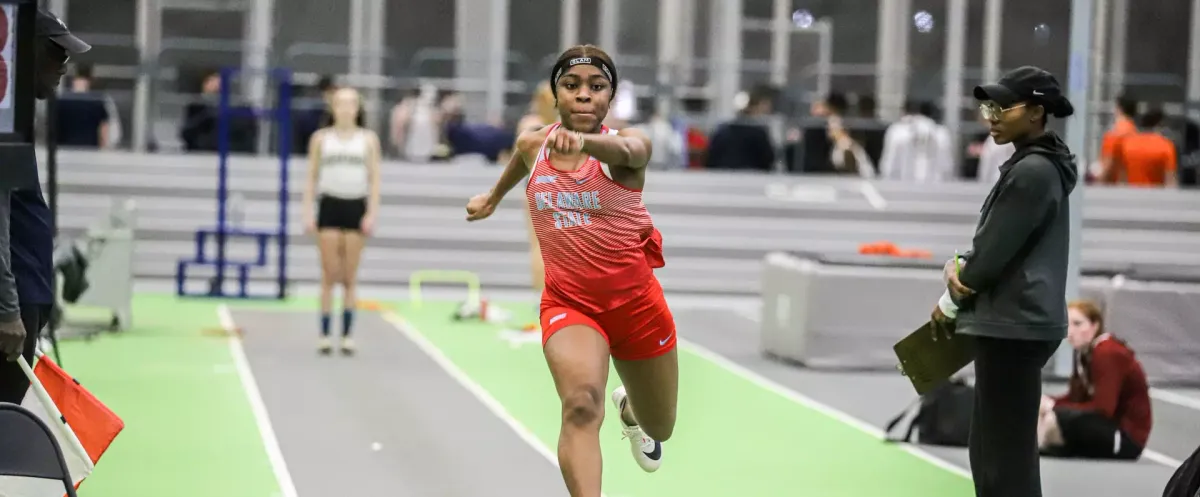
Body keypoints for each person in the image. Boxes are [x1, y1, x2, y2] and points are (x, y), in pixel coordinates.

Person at [464, 45, 676, 497]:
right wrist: (492, 199)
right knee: (580, 405)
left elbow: (628, 150)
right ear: (555, 95)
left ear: (610, 97)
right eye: (572, 86)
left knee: (663, 423)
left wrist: (583, 143)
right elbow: (521, 161)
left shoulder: (629, 146)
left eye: (596, 87)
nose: (584, 96)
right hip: (570, 304)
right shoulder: (531, 144)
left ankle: (632, 412)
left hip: (637, 307)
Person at [932, 66, 1077, 497]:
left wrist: (951, 297)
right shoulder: (1035, 166)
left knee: (1004, 458)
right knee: (992, 450)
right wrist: (962, 264)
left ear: (1035, 112)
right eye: (987, 107)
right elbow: (996, 244)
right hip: (1014, 322)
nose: (990, 116)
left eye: (1001, 107)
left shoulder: (1033, 171)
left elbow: (993, 251)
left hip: (1013, 325)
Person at [0, 8, 91, 402]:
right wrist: (7, 309)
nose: (63, 65)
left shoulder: (16, 122)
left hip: (25, 295)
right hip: (13, 302)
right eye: (56, 53)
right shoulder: (4, 124)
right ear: (26, 52)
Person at [302, 87, 381, 356]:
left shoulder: (368, 140)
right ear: (333, 108)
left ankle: (347, 335)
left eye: (351, 104)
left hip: (354, 204)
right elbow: (311, 177)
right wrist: (307, 212)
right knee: (329, 274)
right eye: (341, 103)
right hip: (329, 205)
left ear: (358, 108)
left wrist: (371, 213)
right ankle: (324, 333)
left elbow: (375, 179)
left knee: (349, 276)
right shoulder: (321, 139)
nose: (346, 109)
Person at [1037, 300, 1151, 460]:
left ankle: (1051, 444)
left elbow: (1103, 408)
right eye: (1067, 325)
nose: (1071, 332)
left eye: (1078, 324)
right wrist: (1046, 402)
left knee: (1059, 416)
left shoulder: (1107, 353)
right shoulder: (1082, 353)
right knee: (1044, 410)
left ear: (1095, 326)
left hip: (1125, 437)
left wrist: (1054, 407)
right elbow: (1075, 398)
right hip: (1106, 427)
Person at [878, 100, 954, 183]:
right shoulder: (942, 133)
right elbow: (947, 167)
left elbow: (889, 164)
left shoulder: (896, 131)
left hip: (902, 185)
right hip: (935, 186)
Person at [1112, 107, 1178, 187]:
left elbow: (1121, 179)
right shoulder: (1166, 146)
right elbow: (1170, 181)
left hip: (1131, 195)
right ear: (1160, 124)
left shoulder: (1126, 144)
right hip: (1155, 197)